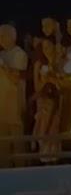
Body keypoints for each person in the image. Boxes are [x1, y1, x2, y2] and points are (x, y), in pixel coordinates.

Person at [0, 24, 28, 168]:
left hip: (14, 105)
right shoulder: (2, 55)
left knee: (17, 143)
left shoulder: (19, 54)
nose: (0, 39)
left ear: (13, 37)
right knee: (2, 145)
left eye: (3, 35)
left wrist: (3, 67)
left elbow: (16, 78)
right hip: (2, 107)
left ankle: (21, 171)